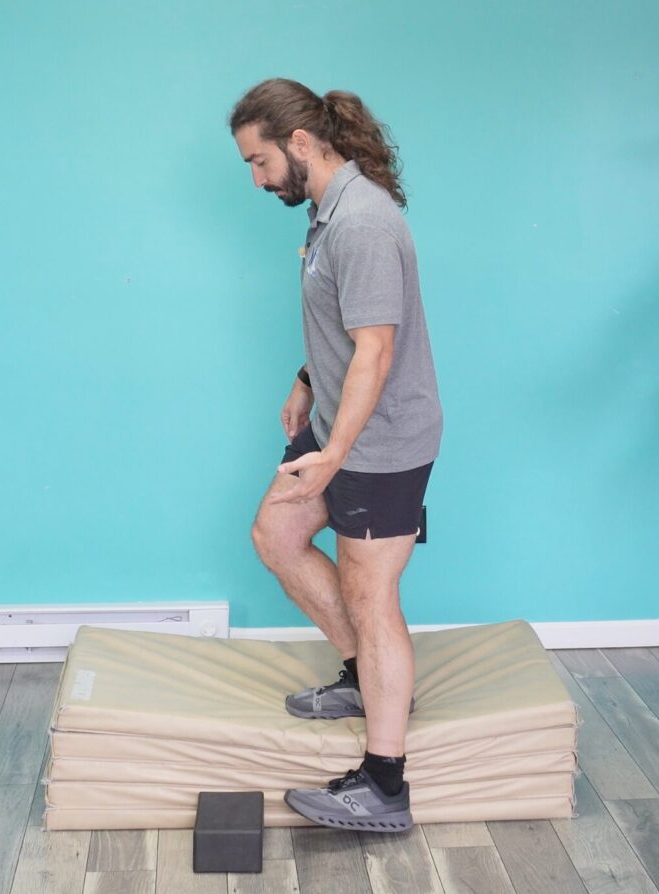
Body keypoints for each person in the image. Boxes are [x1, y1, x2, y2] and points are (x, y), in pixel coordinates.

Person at [229, 78, 442, 832]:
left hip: (382, 442)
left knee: (370, 594)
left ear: (299, 142)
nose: (257, 181)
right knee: (277, 535)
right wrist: (305, 377)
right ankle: (363, 678)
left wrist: (334, 454)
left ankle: (385, 784)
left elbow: (376, 353)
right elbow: (346, 327)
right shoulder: (327, 215)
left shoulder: (363, 223)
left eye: (259, 162)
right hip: (338, 422)